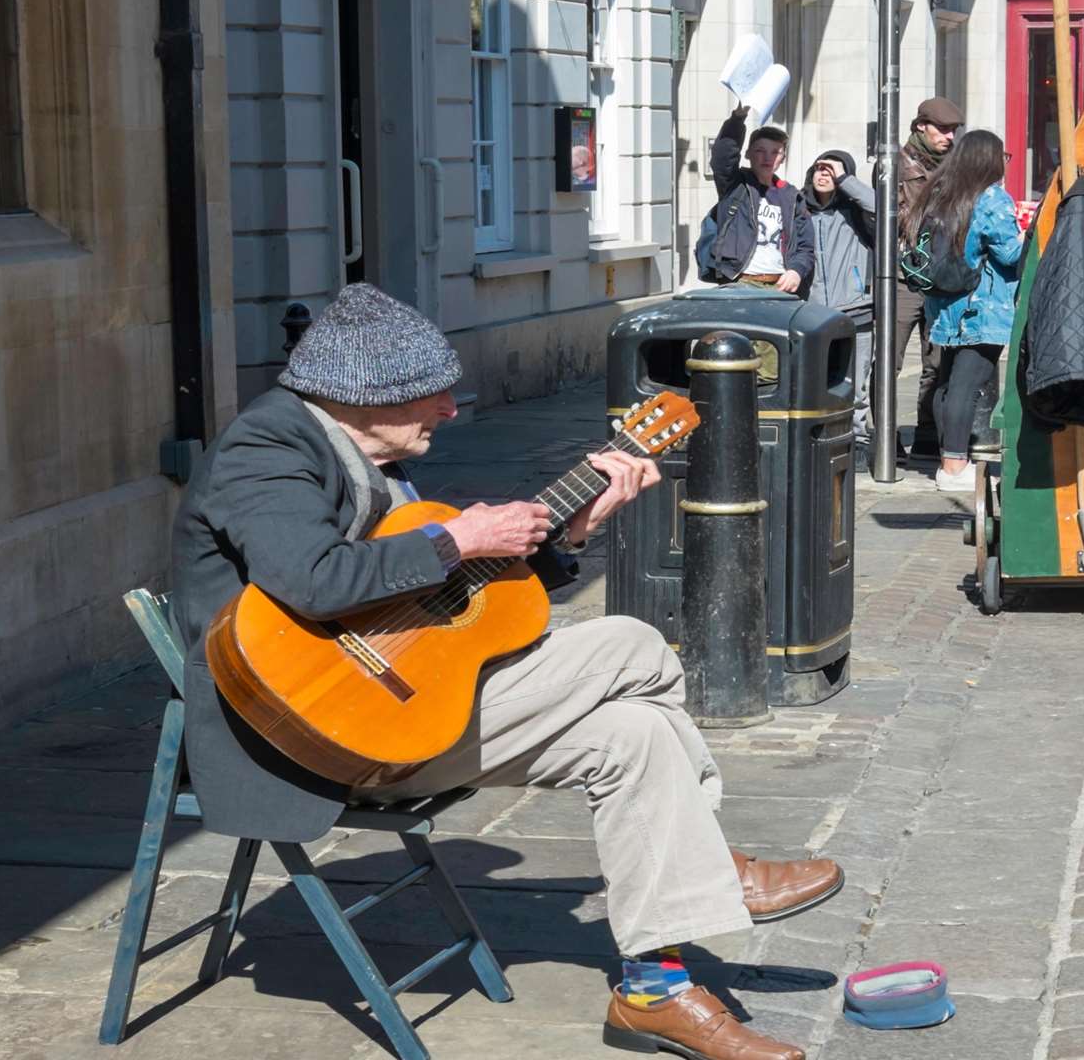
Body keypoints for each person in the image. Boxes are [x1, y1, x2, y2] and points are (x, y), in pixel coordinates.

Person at [170, 284, 845, 1059]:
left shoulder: (358, 452)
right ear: (364, 396)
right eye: (434, 395)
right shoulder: (268, 448)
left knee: (634, 737)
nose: (451, 411)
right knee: (632, 644)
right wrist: (460, 538)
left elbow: (431, 605)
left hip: (395, 701)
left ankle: (654, 993)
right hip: (314, 731)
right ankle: (710, 865)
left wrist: (566, 532)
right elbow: (316, 580)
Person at [911, 129, 1026, 492]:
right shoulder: (992, 198)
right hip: (983, 308)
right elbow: (1010, 255)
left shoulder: (943, 193)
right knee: (965, 386)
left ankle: (950, 459)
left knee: (948, 384)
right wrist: (1029, 236)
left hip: (947, 306)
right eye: (1002, 156)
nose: (1004, 164)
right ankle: (955, 466)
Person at [889, 96, 965, 457]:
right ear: (921, 126)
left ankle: (926, 434)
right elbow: (895, 220)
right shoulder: (895, 166)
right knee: (891, 358)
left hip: (941, 276)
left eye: (954, 131)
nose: (949, 137)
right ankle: (886, 440)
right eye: (943, 130)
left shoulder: (954, 168)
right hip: (904, 275)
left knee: (937, 361)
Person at [803, 149, 879, 449]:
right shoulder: (800, 208)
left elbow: (882, 207)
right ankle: (818, 434)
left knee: (855, 379)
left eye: (832, 169)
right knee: (816, 376)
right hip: (811, 310)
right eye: (819, 168)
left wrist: (846, 180)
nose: (824, 174)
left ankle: (857, 438)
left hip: (854, 306)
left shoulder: (856, 210)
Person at [708, 107, 815, 294]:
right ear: (748, 154)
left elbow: (806, 247)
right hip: (740, 282)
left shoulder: (792, 197)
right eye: (760, 151)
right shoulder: (735, 186)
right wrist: (738, 118)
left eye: (775, 152)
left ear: (783, 158)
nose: (768, 158)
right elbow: (722, 157)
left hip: (780, 285)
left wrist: (796, 271)